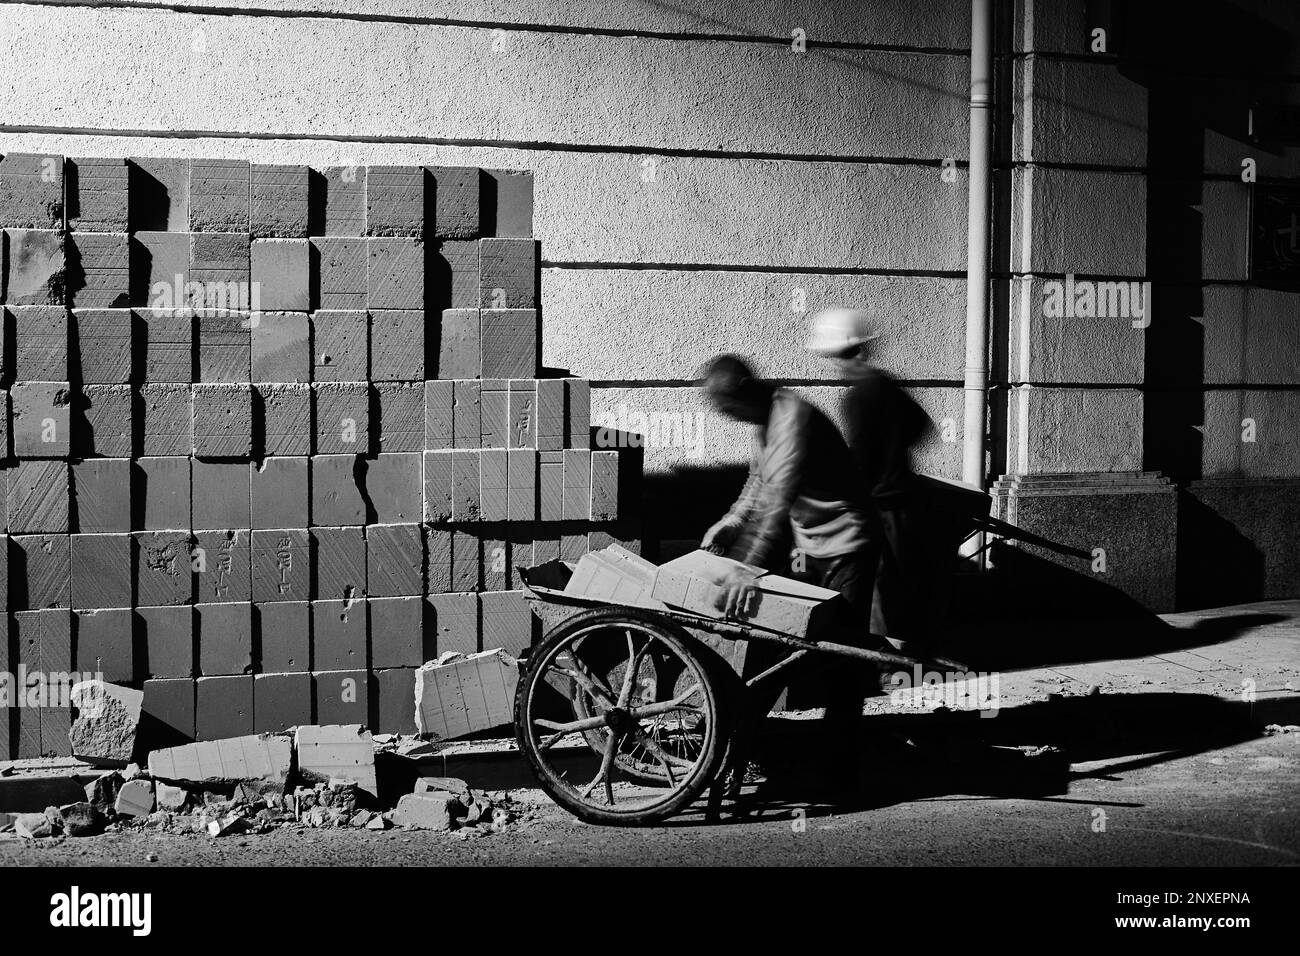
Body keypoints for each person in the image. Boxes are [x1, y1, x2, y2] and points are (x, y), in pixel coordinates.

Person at [698, 354, 874, 624]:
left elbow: (775, 505)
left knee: (845, 637)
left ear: (746, 388)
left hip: (846, 550)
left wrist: (745, 568)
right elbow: (757, 481)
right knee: (793, 623)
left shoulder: (792, 419)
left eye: (730, 408)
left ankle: (896, 667)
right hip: (804, 551)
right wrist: (732, 520)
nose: (731, 418)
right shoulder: (764, 421)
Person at [806, 307, 936, 655]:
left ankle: (894, 663)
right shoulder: (886, 385)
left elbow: (859, 459)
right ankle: (903, 655)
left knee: (882, 589)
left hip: (880, 505)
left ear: (837, 356)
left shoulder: (858, 396)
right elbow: (923, 428)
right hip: (904, 499)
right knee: (899, 586)